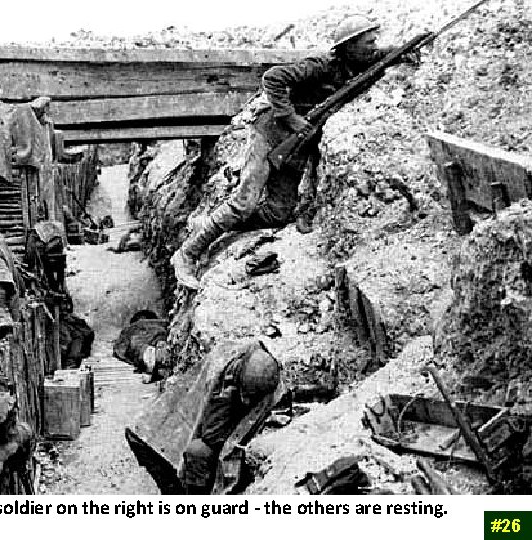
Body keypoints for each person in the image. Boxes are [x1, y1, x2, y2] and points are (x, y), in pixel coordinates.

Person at [172, 15, 427, 289]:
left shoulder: (357, 65)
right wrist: (290, 116)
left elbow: (381, 55)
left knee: (277, 215)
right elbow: (273, 78)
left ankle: (210, 228)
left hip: (296, 147)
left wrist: (404, 51)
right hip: (270, 134)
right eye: (368, 42)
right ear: (349, 46)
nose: (373, 47)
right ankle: (188, 253)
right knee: (244, 203)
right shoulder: (321, 65)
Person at [180, 341, 281, 494]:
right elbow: (209, 433)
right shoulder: (224, 381)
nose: (247, 401)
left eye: (252, 397)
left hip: (245, 449)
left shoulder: (274, 392)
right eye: (245, 395)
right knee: (198, 451)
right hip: (220, 443)